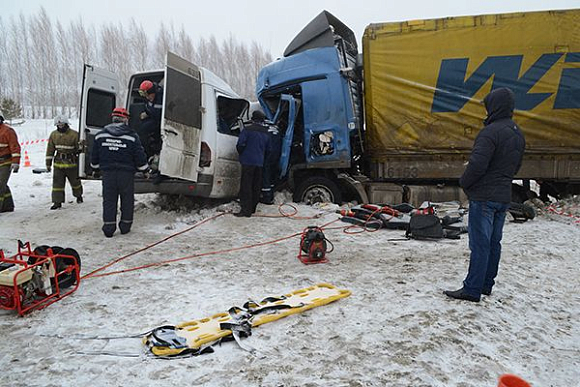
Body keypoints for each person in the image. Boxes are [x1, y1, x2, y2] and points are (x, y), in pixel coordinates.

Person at [445, 87, 525, 302]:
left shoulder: (490, 132)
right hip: (503, 196)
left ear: (494, 106)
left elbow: (478, 166)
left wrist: (464, 183)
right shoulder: (517, 133)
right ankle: (486, 285)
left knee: (480, 245)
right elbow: (515, 166)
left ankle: (472, 289)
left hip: (484, 197)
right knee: (493, 243)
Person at [90, 107, 148, 237]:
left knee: (109, 200)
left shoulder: (100, 135)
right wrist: (145, 170)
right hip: (126, 174)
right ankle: (125, 226)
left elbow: (94, 156)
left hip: (108, 174)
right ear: (125, 120)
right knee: (127, 200)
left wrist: (95, 169)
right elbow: (139, 156)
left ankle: (109, 228)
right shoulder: (132, 136)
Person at [235, 110, 271, 217]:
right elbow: (269, 150)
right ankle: (253, 208)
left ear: (253, 118)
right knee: (256, 186)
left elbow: (240, 144)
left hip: (247, 161)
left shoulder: (247, 130)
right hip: (259, 163)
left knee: (246, 186)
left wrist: (242, 154)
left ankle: (245, 211)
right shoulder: (266, 133)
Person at [46, 115, 83, 210]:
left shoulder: (75, 135)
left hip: (72, 164)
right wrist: (48, 163)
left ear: (66, 124)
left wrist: (79, 150)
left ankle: (78, 196)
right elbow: (50, 149)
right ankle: (57, 202)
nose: (60, 127)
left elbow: (80, 149)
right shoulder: (53, 135)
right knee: (57, 184)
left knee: (75, 182)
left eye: (62, 125)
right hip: (58, 164)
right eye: (58, 125)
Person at [0, 110, 20, 213]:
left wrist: (15, 162)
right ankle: (8, 206)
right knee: (3, 184)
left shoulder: (8, 131)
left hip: (6, 162)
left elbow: (15, 147)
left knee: (0, 184)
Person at [138, 80, 163, 159]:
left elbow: (160, 112)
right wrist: (146, 113)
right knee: (143, 129)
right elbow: (149, 108)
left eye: (147, 94)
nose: (147, 97)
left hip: (161, 122)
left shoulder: (161, 97)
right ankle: (146, 153)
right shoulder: (148, 99)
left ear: (152, 92)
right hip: (153, 119)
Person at [260, 121, 282, 205]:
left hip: (267, 154)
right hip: (276, 155)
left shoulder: (264, 129)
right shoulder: (276, 129)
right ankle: (271, 194)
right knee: (272, 175)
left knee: (266, 175)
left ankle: (266, 197)